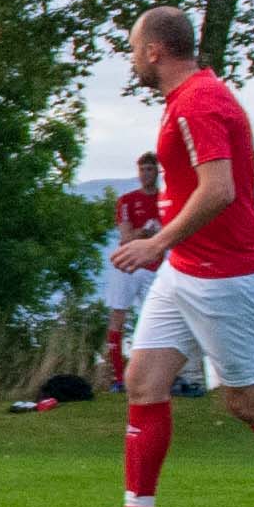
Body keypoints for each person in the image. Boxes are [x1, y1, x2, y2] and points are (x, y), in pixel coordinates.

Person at [67, 7, 254, 507]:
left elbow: (220, 189)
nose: (131, 59)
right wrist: (172, 249)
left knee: (248, 404)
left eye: (132, 48)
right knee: (144, 382)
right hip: (188, 269)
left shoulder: (198, 101)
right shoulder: (191, 98)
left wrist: (157, 241)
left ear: (154, 51)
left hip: (228, 276)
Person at [104, 154, 163, 391]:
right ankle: (117, 376)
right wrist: (146, 231)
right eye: (142, 170)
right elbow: (126, 237)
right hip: (128, 266)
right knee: (118, 316)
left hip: (154, 267)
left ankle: (150, 374)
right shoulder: (128, 201)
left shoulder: (165, 200)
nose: (145, 174)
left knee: (153, 320)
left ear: (157, 172)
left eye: (150, 169)